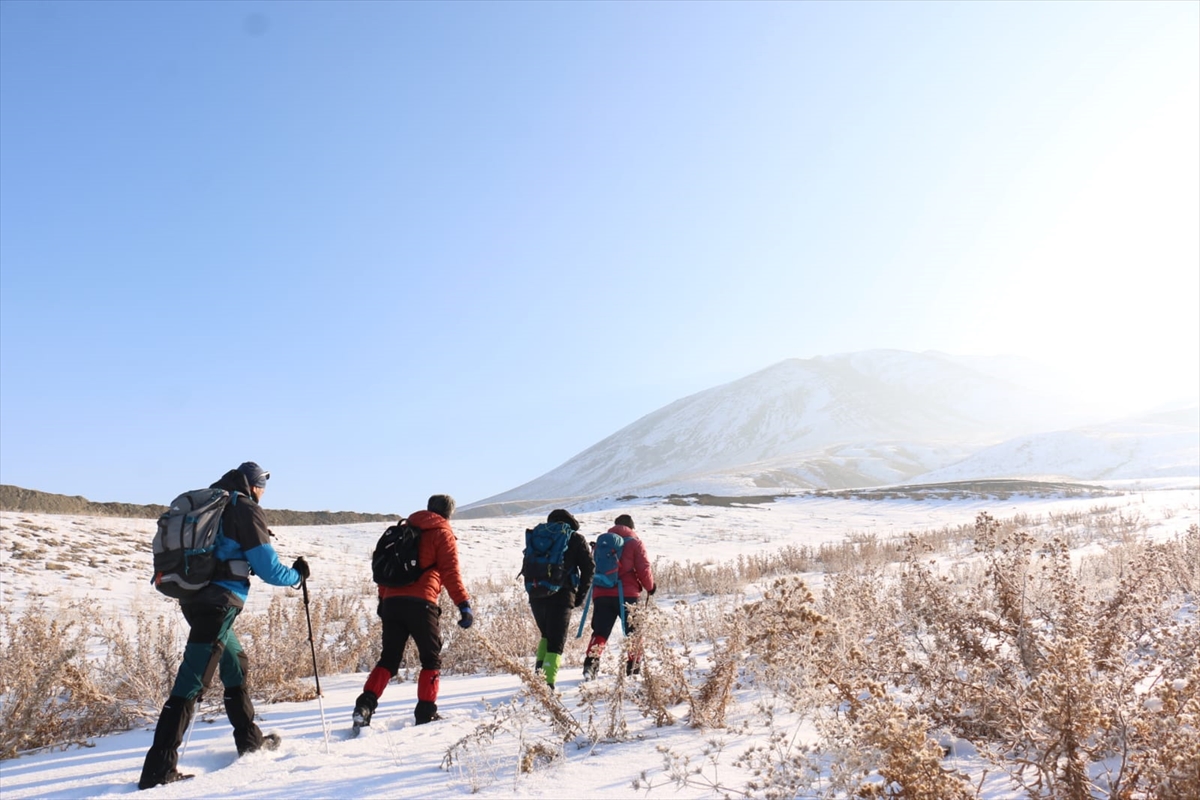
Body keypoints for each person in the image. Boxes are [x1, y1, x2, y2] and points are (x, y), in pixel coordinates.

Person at [139, 462, 309, 790]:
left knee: (235, 664)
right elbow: (269, 569)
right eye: (262, 487)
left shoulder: (211, 504)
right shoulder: (244, 509)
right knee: (191, 681)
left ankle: (249, 741)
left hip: (193, 599)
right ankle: (158, 770)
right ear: (253, 485)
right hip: (220, 603)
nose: (262, 493)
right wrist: (297, 576)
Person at [353, 494, 472, 728]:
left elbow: (385, 571)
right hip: (422, 604)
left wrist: (382, 600)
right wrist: (463, 604)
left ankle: (364, 706)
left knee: (388, 659)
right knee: (431, 659)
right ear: (448, 514)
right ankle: (426, 713)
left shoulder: (403, 531)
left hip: (392, 603)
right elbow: (450, 573)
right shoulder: (442, 533)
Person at [526, 509, 594, 689]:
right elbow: (589, 569)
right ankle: (547, 685)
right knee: (557, 641)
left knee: (546, 636)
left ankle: (538, 680)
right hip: (563, 595)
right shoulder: (575, 538)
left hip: (536, 594)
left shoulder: (538, 536)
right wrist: (580, 595)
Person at [583, 513, 656, 680]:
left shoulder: (602, 543)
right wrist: (650, 587)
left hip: (602, 593)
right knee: (633, 632)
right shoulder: (635, 542)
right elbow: (643, 568)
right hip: (627, 594)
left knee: (600, 631)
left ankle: (590, 666)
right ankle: (633, 669)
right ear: (632, 527)